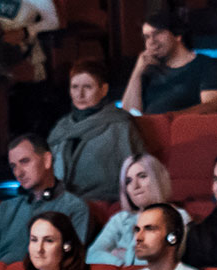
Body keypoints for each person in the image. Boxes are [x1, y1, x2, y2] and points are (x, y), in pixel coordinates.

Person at [0, 134, 93, 262]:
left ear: (47, 160)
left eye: (25, 161)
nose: (18, 173)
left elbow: (70, 262)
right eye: (13, 166)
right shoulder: (5, 208)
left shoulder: (74, 207)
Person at [47, 61, 144, 202]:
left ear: (103, 90)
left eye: (87, 87)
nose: (80, 94)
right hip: (61, 199)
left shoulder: (119, 124)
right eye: (74, 87)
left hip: (104, 199)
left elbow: (137, 168)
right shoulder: (61, 128)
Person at [121, 11, 217, 115]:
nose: (151, 41)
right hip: (147, 130)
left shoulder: (206, 64)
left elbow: (213, 105)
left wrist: (169, 119)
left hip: (184, 129)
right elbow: (127, 114)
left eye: (157, 33)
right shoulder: (149, 70)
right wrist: (137, 71)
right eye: (147, 37)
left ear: (177, 35)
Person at [87, 152, 176, 264]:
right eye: (128, 181)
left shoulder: (178, 218)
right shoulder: (120, 219)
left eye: (142, 176)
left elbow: (165, 260)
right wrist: (121, 263)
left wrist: (121, 254)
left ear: (158, 179)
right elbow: (92, 254)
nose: (135, 186)